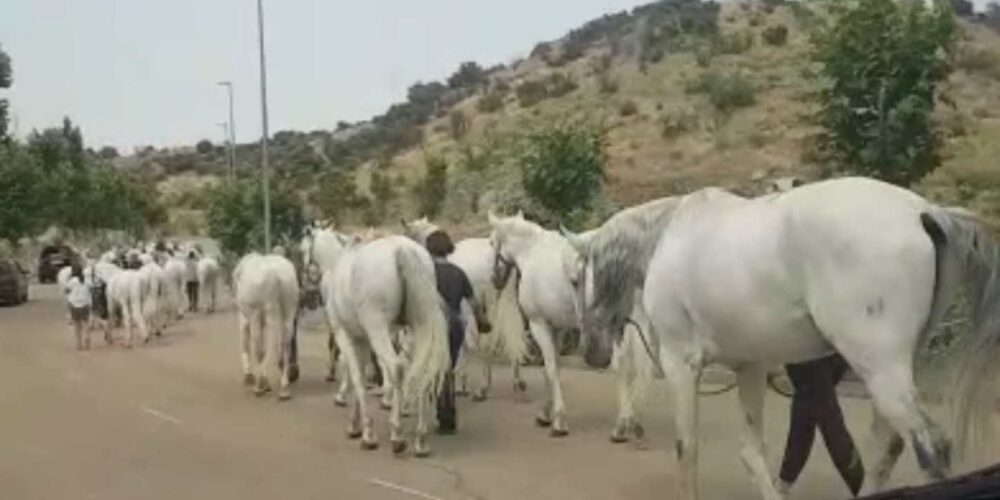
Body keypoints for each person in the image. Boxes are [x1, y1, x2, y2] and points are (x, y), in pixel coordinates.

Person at [425, 230, 490, 434]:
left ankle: (441, 414)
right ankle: (448, 415)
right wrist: (482, 322)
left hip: (431, 325)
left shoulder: (425, 273)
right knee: (448, 369)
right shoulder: (458, 272)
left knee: (434, 369)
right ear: (449, 249)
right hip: (455, 325)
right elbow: (474, 303)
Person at [776, 353, 865, 497]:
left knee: (827, 419)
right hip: (827, 351)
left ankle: (861, 486)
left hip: (809, 353)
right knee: (807, 409)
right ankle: (785, 480)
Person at [63, 263, 93, 350]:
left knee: (77, 325)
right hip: (85, 303)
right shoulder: (86, 280)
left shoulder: (72, 281)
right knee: (86, 323)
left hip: (74, 304)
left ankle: (79, 344)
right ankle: (87, 338)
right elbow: (91, 289)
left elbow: (66, 290)